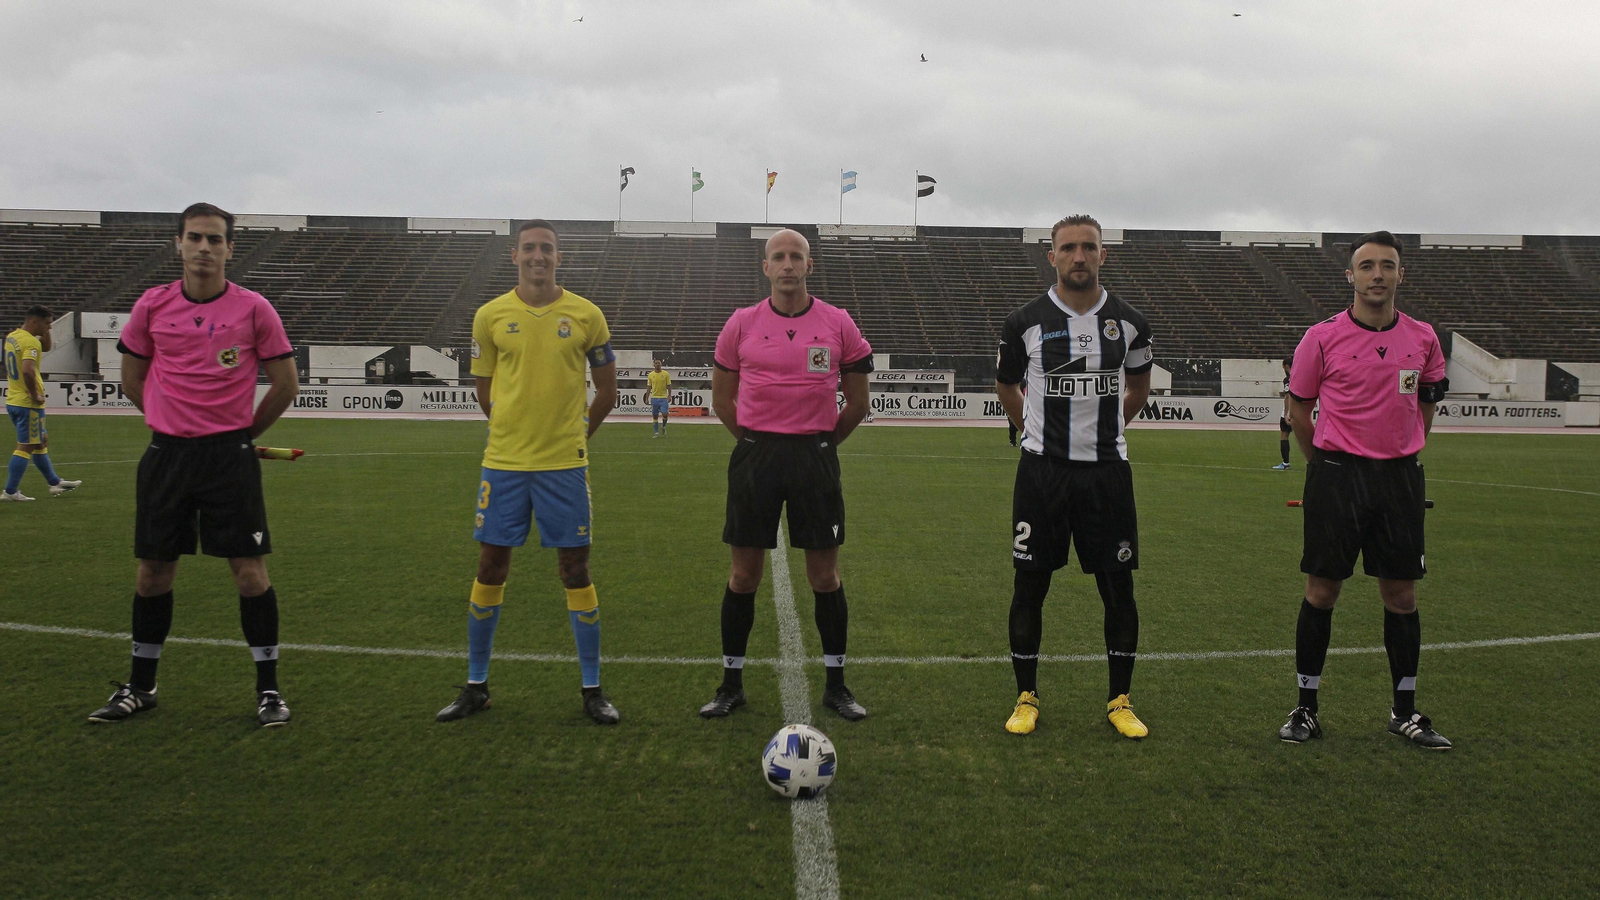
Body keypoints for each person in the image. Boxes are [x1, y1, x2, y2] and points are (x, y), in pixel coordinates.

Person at [88, 203, 300, 727]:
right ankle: (141, 687)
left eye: (215, 239)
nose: (204, 247)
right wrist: (169, 418)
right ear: (177, 244)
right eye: (195, 238)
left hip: (230, 458)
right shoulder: (152, 306)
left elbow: (286, 384)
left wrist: (243, 436)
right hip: (168, 456)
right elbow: (132, 380)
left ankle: (269, 692)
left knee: (249, 574)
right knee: (153, 573)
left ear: (230, 249)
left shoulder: (253, 309)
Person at [436, 218, 621, 726]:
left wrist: (579, 434)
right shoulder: (490, 315)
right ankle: (476, 685)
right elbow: (484, 390)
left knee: (574, 569)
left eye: (548, 249)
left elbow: (607, 392)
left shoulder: (586, 315)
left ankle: (592, 689)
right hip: (504, 464)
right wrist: (511, 432)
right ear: (514, 255)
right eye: (530, 248)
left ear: (559, 258)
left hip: (564, 465)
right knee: (491, 567)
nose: (538, 256)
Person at [1279, 231, 1451, 750]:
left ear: (1401, 274)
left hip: (1399, 478)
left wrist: (1405, 446)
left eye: (1388, 266)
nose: (1378, 274)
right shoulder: (1322, 336)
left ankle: (1405, 711)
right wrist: (1325, 466)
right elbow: (1298, 411)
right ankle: (1306, 708)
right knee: (1322, 591)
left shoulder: (1423, 338)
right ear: (1350, 276)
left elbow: (1426, 404)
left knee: (1401, 595)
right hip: (1336, 474)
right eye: (1368, 266)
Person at [699, 228, 872, 721]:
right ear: (766, 267)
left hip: (815, 456)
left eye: (797, 255)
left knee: (824, 576)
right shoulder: (741, 324)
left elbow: (858, 403)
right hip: (756, 456)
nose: (789, 263)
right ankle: (730, 684)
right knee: (743, 575)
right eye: (779, 256)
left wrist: (819, 443)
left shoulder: (838, 323)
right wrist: (756, 442)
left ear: (809, 266)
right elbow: (722, 399)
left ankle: (837, 686)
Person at [994, 214, 1154, 739]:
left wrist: (1106, 431)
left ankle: (1120, 700)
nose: (1079, 256)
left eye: (1089, 247)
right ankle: (1025, 696)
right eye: (1069, 248)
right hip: (1042, 475)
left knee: (1118, 589)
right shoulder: (1024, 322)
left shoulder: (1130, 322)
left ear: (1103, 254)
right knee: (1029, 587)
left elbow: (1137, 388)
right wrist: (1033, 431)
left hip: (1107, 475)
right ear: (1053, 256)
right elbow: (1007, 388)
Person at [4, 305, 81, 500]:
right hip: (27, 402)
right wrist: (34, 394)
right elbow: (28, 370)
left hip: (14, 399)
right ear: (34, 322)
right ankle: (10, 491)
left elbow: (45, 347)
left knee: (41, 439)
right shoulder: (30, 343)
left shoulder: (13, 336)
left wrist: (45, 331)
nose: (49, 328)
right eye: (47, 324)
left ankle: (54, 482)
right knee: (26, 446)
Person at [1272, 358, 1293, 469]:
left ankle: (1285, 463)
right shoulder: (1301, 376)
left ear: (1285, 366)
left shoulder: (1288, 379)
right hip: (1302, 410)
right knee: (1306, 437)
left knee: (1284, 435)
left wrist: (1286, 414)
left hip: (1291, 410)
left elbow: (1288, 396)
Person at [647, 358, 672, 437]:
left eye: (659, 363)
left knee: (665, 414)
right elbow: (649, 387)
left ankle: (663, 426)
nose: (657, 365)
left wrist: (669, 395)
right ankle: (656, 432)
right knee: (655, 415)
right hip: (654, 397)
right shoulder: (651, 375)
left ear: (661, 364)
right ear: (654, 365)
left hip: (663, 397)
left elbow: (669, 385)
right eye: (656, 363)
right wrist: (646, 397)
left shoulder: (665, 374)